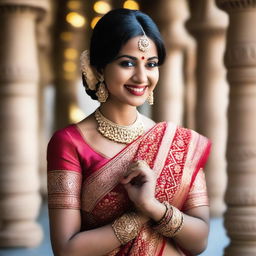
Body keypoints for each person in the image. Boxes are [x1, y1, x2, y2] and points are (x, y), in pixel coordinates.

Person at [47, 8, 211, 256]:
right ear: (100, 68)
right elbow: (67, 249)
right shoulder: (69, 143)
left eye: (151, 64)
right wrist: (137, 216)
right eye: (127, 63)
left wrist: (152, 206)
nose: (141, 76)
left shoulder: (178, 142)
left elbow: (199, 242)